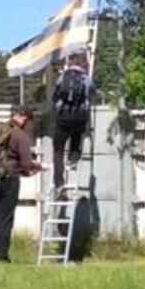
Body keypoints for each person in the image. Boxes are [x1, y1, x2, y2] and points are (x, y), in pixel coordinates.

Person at [0, 104, 42, 263]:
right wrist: (39, 167)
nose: (28, 124)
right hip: (9, 178)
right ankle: (2, 256)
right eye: (28, 120)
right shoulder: (19, 135)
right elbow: (26, 163)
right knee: (6, 218)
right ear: (23, 117)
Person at [52, 52, 95, 190]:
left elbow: (55, 96)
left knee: (58, 149)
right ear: (84, 64)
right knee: (77, 137)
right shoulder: (86, 78)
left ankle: (59, 182)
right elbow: (92, 94)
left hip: (63, 115)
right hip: (79, 115)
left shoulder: (62, 77)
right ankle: (73, 159)